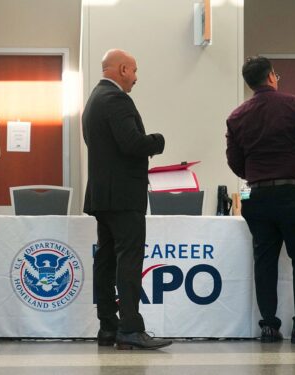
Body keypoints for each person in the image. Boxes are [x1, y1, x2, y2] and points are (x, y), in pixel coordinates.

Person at [225, 56, 295, 344]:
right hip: (291, 191)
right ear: (271, 76)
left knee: (264, 261)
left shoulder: (236, 116)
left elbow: (235, 161)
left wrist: (256, 173)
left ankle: (268, 326)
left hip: (256, 195)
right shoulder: (294, 104)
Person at [82, 49, 171, 350]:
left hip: (102, 195)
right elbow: (131, 143)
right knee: (129, 259)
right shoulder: (117, 100)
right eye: (133, 70)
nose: (136, 77)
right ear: (121, 69)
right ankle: (131, 327)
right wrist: (157, 141)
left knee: (105, 260)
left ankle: (108, 326)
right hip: (123, 196)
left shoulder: (94, 100)